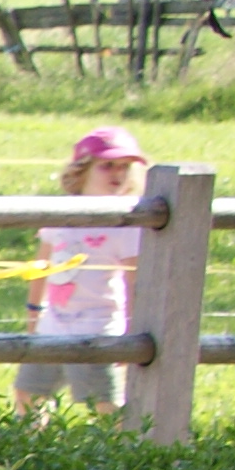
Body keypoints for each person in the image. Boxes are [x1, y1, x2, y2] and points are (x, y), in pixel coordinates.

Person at [23, 124, 148, 413]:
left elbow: (134, 281)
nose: (118, 174)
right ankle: (33, 449)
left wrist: (133, 330)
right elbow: (41, 266)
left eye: (125, 167)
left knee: (104, 404)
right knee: (28, 393)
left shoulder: (126, 223)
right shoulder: (60, 214)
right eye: (107, 166)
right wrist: (33, 312)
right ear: (82, 170)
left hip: (98, 327)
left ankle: (119, 453)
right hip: (51, 324)